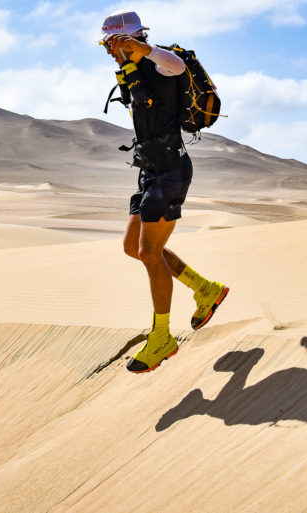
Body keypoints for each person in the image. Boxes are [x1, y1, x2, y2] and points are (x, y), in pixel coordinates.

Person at [99, 10, 229, 374]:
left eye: (111, 44)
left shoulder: (159, 63)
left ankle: (161, 338)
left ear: (127, 40)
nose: (109, 52)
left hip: (171, 172)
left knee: (149, 252)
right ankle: (204, 288)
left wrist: (143, 48)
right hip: (150, 172)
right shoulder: (133, 71)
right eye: (105, 45)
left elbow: (173, 65)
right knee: (133, 247)